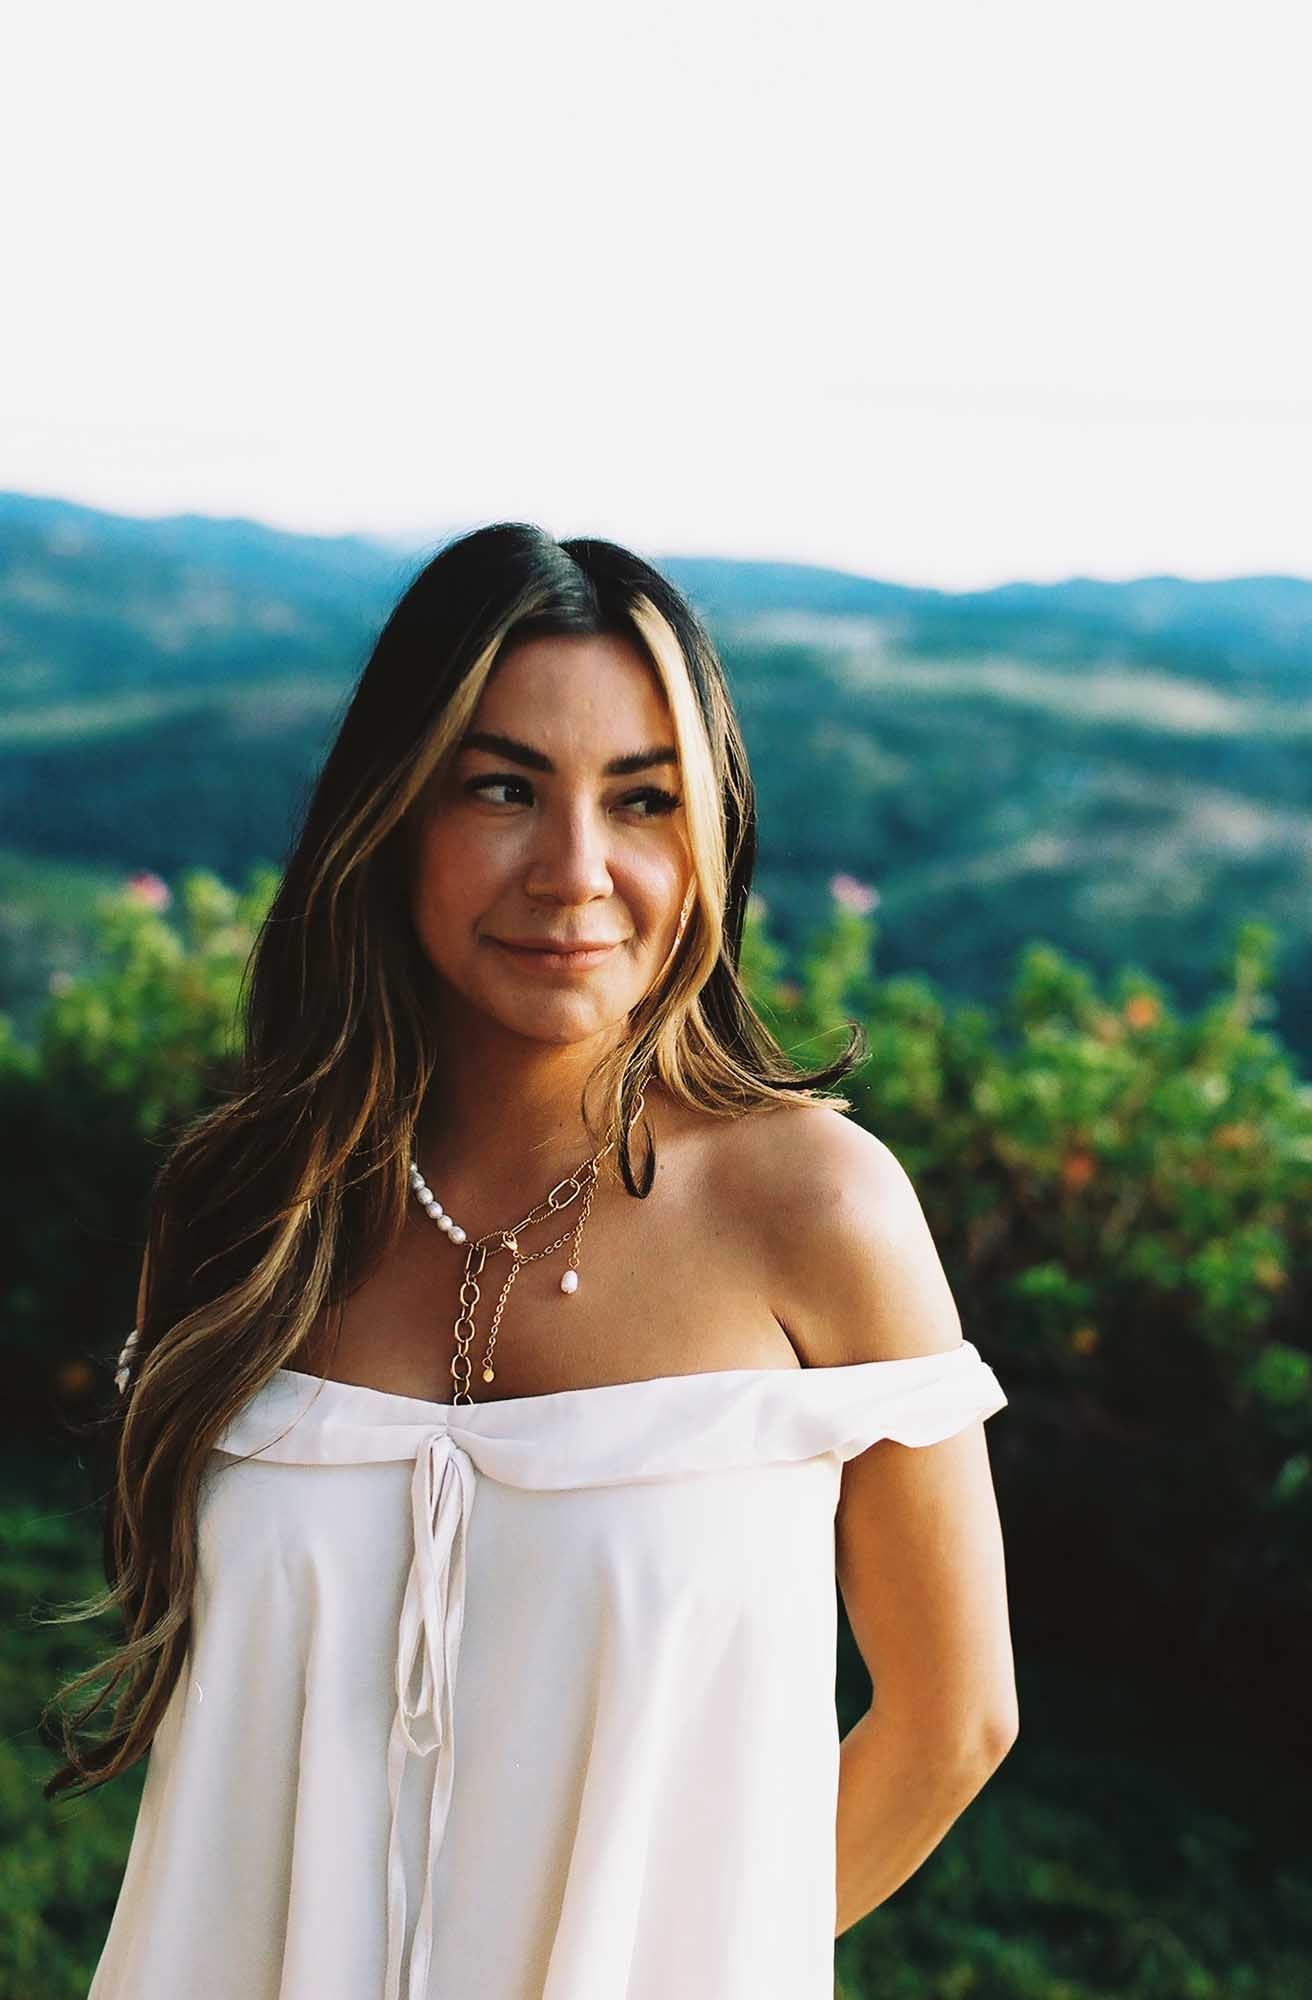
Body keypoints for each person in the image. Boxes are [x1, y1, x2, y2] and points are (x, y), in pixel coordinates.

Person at [47, 523, 1014, 1999]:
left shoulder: (817, 1208)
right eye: (502, 788)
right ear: (393, 817)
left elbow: (953, 1722)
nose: (576, 871)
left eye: (642, 800)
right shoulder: (244, 1205)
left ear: (708, 837)